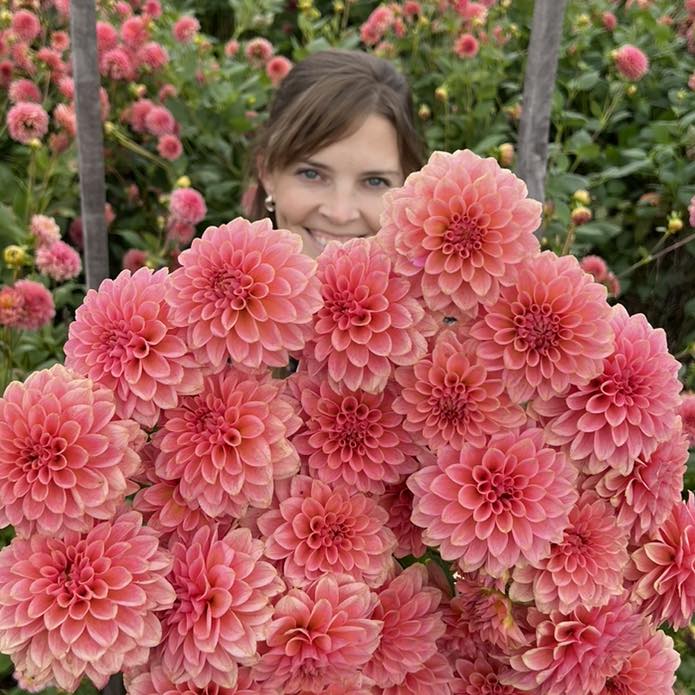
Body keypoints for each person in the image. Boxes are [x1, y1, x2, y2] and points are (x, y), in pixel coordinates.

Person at [248, 49, 425, 258]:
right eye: (311, 174)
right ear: (267, 173)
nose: (340, 214)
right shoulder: (204, 285)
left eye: (375, 181)